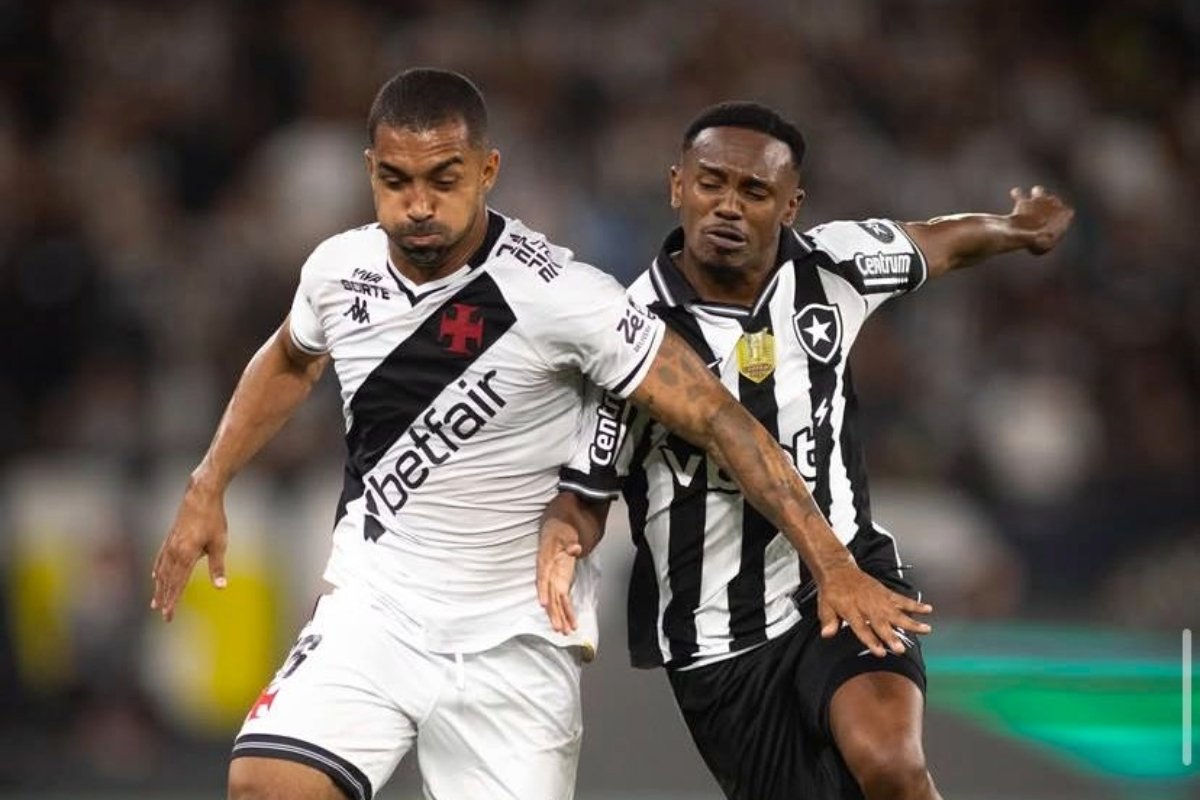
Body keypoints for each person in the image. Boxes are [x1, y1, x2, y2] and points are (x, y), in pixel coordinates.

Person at [149, 72, 931, 800]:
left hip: (516, 640)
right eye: (395, 180)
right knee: (265, 785)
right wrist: (208, 482)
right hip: (376, 611)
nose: (418, 204)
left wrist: (830, 560)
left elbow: (722, 418)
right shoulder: (337, 270)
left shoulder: (566, 298)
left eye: (443, 179)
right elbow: (290, 357)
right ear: (370, 171)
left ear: (488, 171)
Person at [538, 101, 1073, 800]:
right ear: (677, 187)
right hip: (718, 636)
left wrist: (1015, 229)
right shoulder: (628, 335)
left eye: (753, 191)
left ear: (790, 205)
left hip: (847, 575)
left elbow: (938, 242)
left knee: (891, 762)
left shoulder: (834, 266)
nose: (728, 206)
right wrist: (563, 540)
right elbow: (587, 493)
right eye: (710, 184)